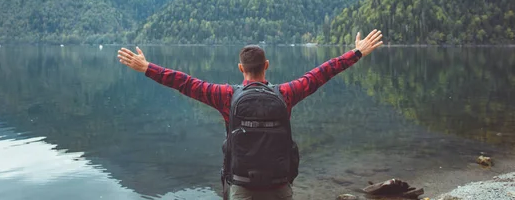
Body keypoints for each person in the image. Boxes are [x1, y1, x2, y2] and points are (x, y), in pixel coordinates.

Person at [118, 29, 383, 200]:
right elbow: (321, 73)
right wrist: (356, 52)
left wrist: (147, 67)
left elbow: (185, 83)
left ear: (240, 68)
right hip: (279, 185)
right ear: (266, 66)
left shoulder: (226, 97)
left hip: (242, 187)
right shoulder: (286, 94)